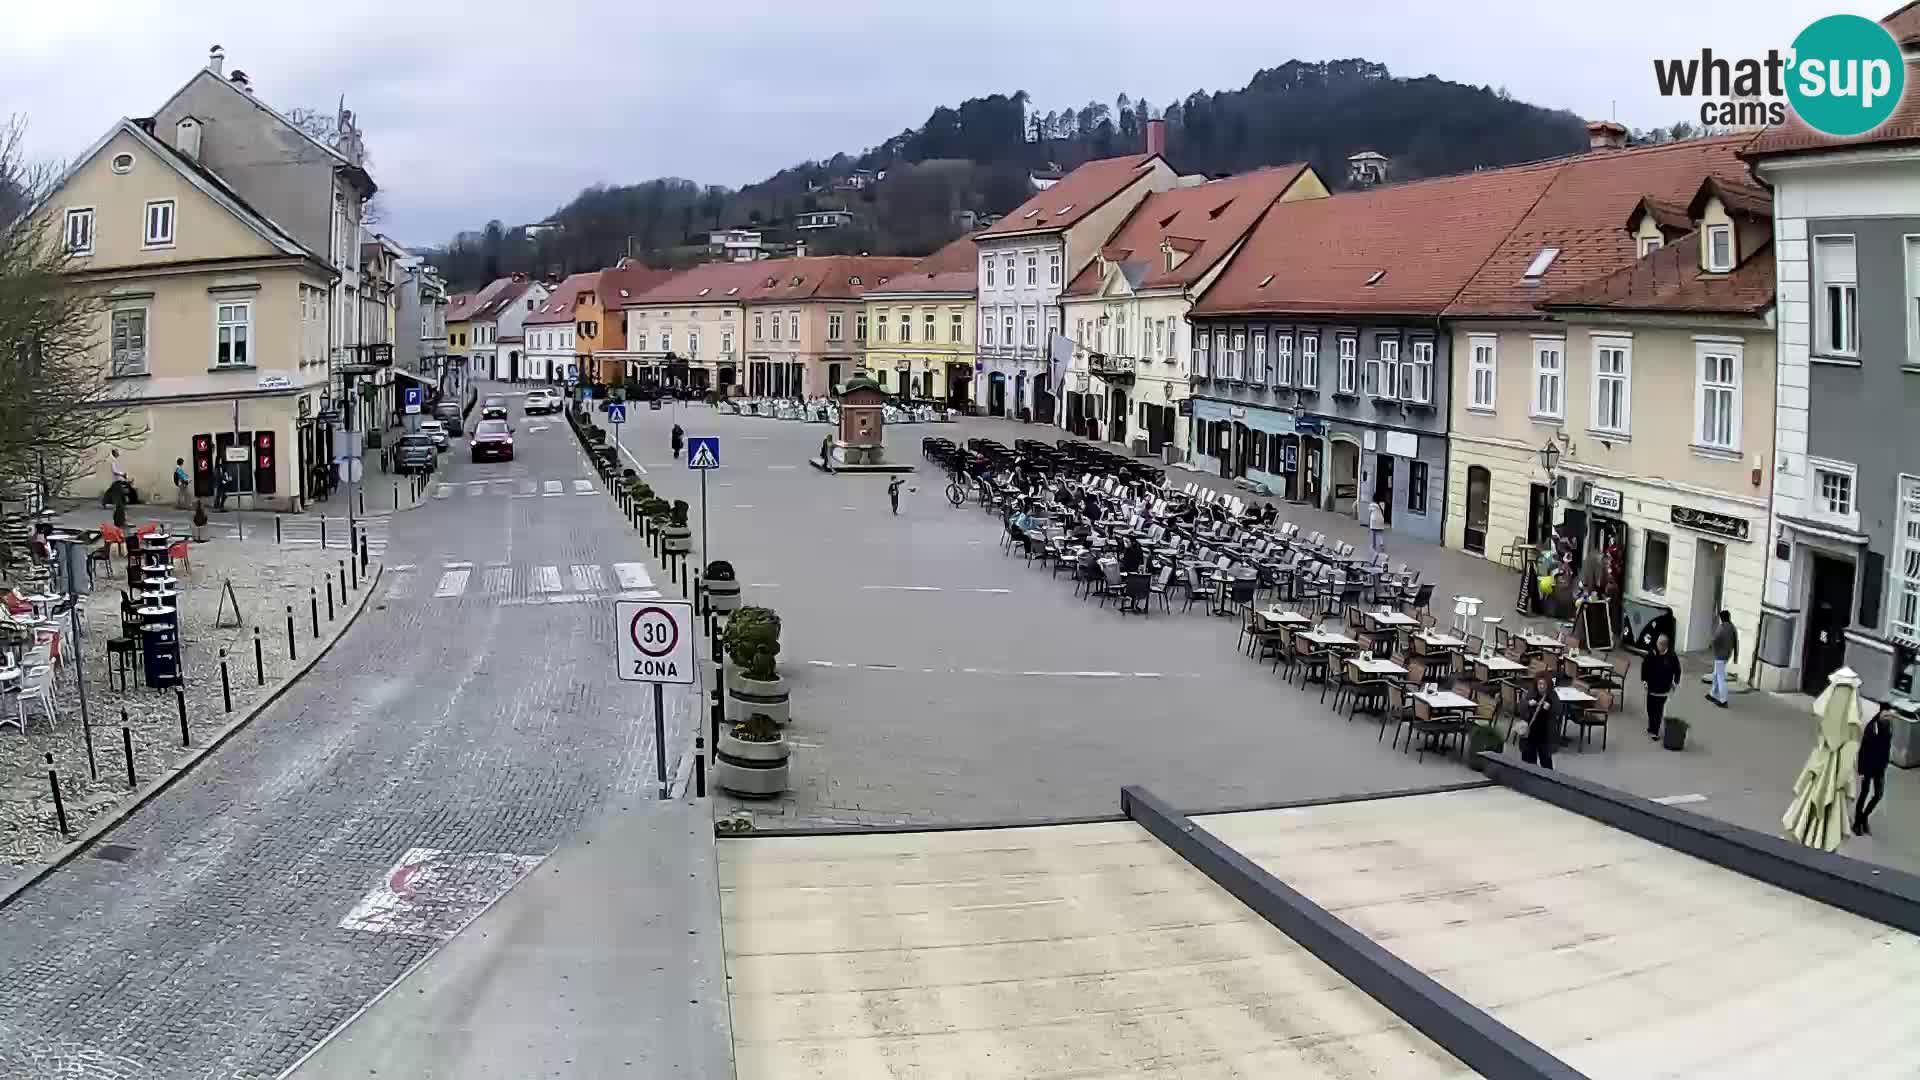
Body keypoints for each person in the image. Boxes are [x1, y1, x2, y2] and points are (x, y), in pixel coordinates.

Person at [1855, 703, 1894, 835]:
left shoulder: (1889, 726)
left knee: (1878, 795)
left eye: (1890, 715)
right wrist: (1861, 770)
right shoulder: (1872, 727)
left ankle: (1864, 817)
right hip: (1868, 766)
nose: (1889, 717)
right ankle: (1857, 823)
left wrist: (1885, 764)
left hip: (1880, 768)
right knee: (1864, 794)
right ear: (1881, 713)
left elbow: (1887, 747)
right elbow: (1863, 749)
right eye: (1886, 714)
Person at [1518, 672, 1562, 770]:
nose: (1541, 686)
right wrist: (1528, 704)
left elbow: (1559, 710)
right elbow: (1521, 709)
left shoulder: (1552, 695)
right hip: (1530, 733)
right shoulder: (1532, 693)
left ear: (1548, 685)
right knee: (1528, 761)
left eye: (1544, 684)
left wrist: (1549, 708)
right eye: (1539, 684)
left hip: (1545, 734)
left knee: (1546, 762)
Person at [1641, 633, 1681, 739]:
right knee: (1650, 709)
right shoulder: (1652, 653)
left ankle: (1655, 731)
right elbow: (1644, 666)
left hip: (1663, 689)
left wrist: (1675, 683)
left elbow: (1677, 670)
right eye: (1658, 643)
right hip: (1651, 688)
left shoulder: (1672, 656)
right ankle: (1651, 727)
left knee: (1658, 711)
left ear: (1665, 645)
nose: (1658, 645)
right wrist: (1644, 680)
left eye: (1660, 644)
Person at [1707, 610, 1738, 708]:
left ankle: (1723, 700)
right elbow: (1736, 642)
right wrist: (1735, 656)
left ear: (1721, 618)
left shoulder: (1722, 627)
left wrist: (1713, 647)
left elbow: (1714, 640)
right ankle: (1712, 694)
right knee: (1716, 674)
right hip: (1727, 655)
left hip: (1720, 656)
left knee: (1720, 677)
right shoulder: (1732, 627)